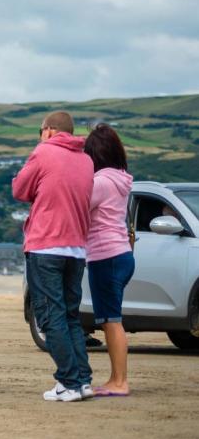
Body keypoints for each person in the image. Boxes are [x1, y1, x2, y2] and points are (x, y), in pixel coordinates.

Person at [13, 110, 95, 403]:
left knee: (50, 317)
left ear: (48, 130)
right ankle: (83, 380)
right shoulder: (86, 160)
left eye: (40, 130)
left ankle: (69, 382)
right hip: (76, 247)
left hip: (46, 244)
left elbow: (19, 189)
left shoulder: (44, 152)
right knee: (71, 315)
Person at [83, 123, 134, 397]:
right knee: (112, 319)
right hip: (122, 253)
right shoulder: (122, 178)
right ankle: (116, 378)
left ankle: (120, 381)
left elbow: (80, 205)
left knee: (111, 320)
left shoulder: (101, 182)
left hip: (105, 255)